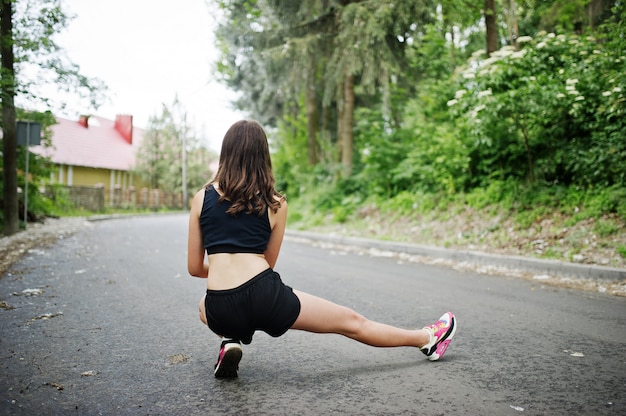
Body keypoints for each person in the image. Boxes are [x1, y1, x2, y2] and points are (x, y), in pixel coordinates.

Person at [188, 120, 457, 378]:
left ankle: (230, 338)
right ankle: (427, 338)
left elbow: (195, 268)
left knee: (203, 305)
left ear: (226, 154)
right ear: (263, 155)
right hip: (263, 294)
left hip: (220, 306)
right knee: (351, 322)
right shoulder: (275, 203)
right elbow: (267, 266)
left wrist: (224, 269)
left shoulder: (202, 198)